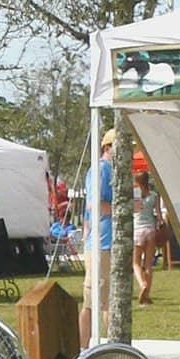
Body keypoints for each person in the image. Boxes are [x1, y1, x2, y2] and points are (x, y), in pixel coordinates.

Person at [79, 128, 114, 346]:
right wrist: (123, 207)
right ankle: (83, 349)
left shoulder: (109, 170)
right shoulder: (101, 169)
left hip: (106, 243)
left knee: (108, 300)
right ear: (108, 147)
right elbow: (94, 205)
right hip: (101, 244)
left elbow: (87, 213)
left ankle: (111, 346)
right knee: (94, 302)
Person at [131, 152, 163, 305]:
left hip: (137, 229)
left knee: (135, 262)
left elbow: (132, 211)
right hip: (150, 229)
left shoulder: (134, 196)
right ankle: (147, 293)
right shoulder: (154, 196)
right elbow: (158, 214)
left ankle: (141, 283)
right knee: (148, 264)